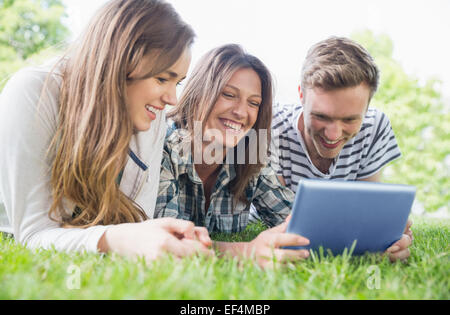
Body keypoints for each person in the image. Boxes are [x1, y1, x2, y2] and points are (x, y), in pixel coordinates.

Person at [0, 0, 212, 262]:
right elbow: (34, 235)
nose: (172, 99)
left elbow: (137, 223)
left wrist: (239, 250)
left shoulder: (150, 117)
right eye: (162, 79)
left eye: (177, 82)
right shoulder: (32, 93)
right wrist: (115, 238)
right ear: (120, 62)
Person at [257, 36, 413, 261]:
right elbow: (284, 222)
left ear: (367, 106)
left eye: (349, 120)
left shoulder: (375, 126)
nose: (333, 135)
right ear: (301, 95)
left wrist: (389, 238)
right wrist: (363, 240)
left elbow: (366, 208)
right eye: (321, 116)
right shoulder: (271, 126)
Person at [155, 44, 310, 268]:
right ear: (199, 92)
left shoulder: (250, 159)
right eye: (228, 95)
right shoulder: (163, 151)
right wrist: (245, 252)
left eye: (253, 103)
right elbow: (166, 242)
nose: (240, 112)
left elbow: (298, 224)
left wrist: (369, 242)